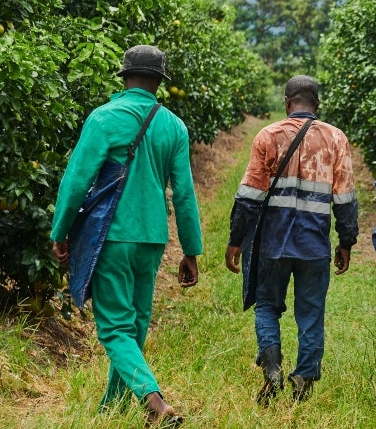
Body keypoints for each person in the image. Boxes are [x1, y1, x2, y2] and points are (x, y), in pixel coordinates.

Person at [50, 44, 202, 426]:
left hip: (111, 235)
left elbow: (76, 180)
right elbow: (183, 192)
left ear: (126, 76)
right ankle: (112, 408)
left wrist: (61, 230)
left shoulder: (104, 118)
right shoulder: (174, 126)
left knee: (116, 328)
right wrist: (191, 249)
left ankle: (156, 403)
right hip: (152, 237)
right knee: (133, 325)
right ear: (158, 82)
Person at [225, 75, 358, 405]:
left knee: (267, 305)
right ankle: (304, 379)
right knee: (311, 314)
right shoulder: (335, 139)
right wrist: (346, 241)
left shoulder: (269, 135)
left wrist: (236, 239)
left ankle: (271, 369)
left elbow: (249, 195)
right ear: (317, 104)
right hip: (314, 246)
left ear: (287, 102)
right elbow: (345, 198)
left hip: (274, 243)